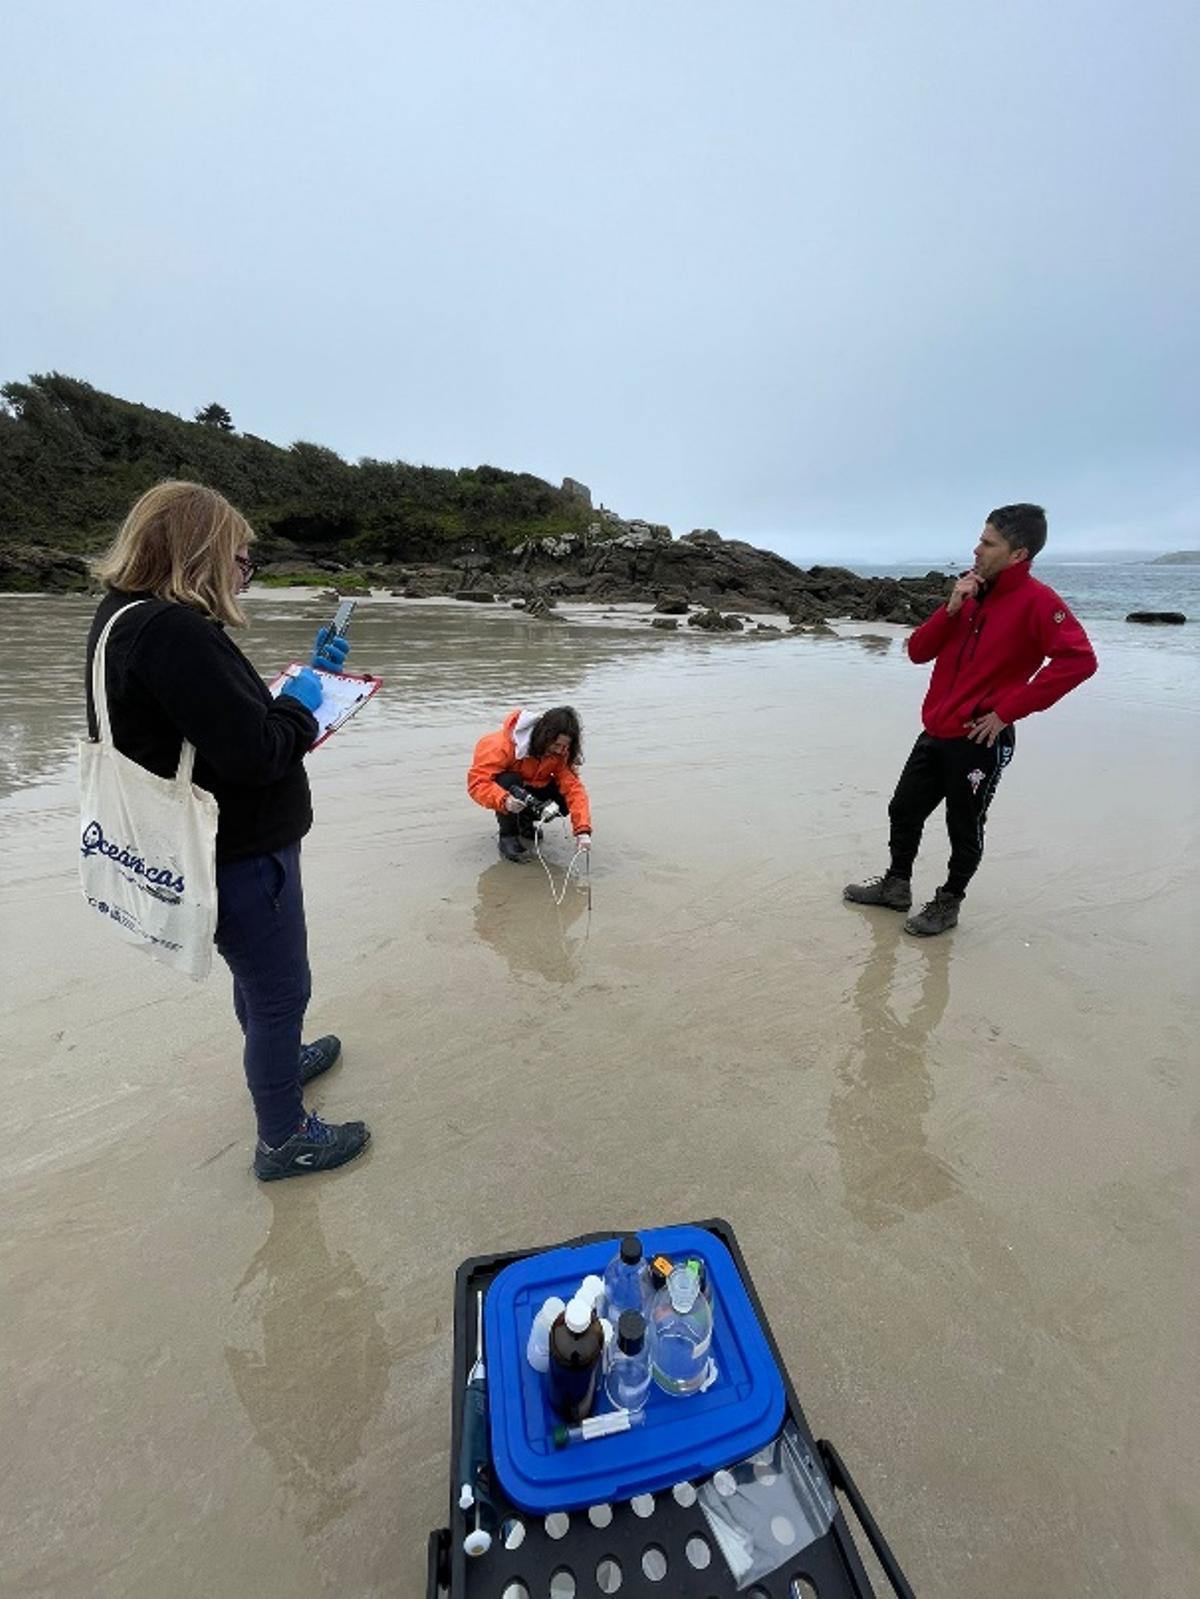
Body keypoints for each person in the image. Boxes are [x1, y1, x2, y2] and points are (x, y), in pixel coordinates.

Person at [84, 480, 370, 1179]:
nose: (247, 570)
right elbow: (259, 754)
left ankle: (282, 1057)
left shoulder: (124, 616)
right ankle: (283, 1137)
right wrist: (303, 705)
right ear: (203, 552)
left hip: (209, 844)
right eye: (242, 557)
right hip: (240, 851)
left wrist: (304, 682)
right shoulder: (176, 632)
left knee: (260, 981)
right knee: (280, 991)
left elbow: (212, 725)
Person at [844, 504, 1097, 936]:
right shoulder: (970, 593)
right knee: (903, 809)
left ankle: (949, 902)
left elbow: (1079, 661)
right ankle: (896, 886)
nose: (976, 548)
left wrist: (1007, 711)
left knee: (964, 826)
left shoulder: (1039, 602)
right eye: (980, 539)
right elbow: (918, 651)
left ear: (1018, 554)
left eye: (988, 542)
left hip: (981, 738)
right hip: (937, 728)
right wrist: (952, 607)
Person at [467, 706, 592, 862]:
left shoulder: (561, 753)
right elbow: (477, 783)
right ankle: (508, 835)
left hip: (534, 790)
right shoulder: (498, 745)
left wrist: (583, 830)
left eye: (565, 746)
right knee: (508, 780)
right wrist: (504, 800)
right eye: (556, 745)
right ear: (543, 736)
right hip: (508, 790)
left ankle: (525, 823)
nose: (560, 751)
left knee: (563, 799)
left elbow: (574, 789)